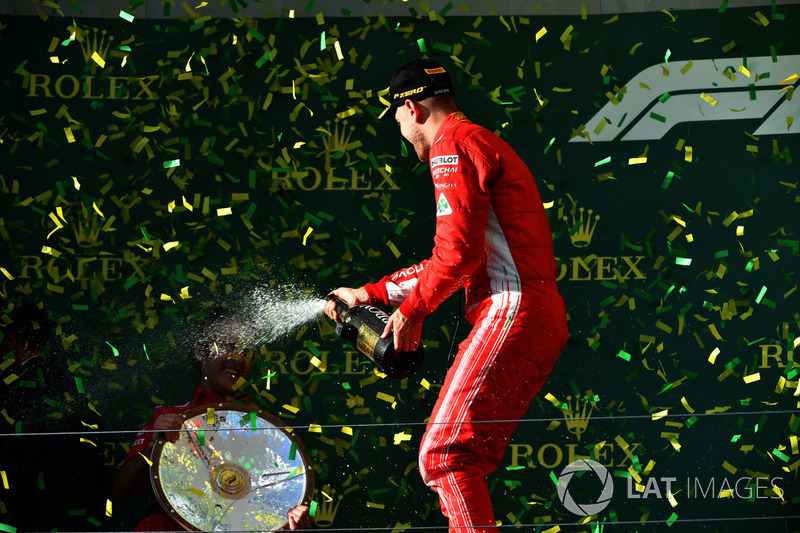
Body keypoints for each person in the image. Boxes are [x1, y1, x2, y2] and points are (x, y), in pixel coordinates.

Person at [325, 58, 569, 532]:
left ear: (412, 108)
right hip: (532, 315)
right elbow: (461, 257)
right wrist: (372, 293)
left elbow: (456, 254)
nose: (397, 127)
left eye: (394, 117)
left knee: (443, 454)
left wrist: (413, 311)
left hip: (511, 309)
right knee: (459, 458)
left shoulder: (452, 144)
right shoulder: (477, 140)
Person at [113, 306, 311, 531]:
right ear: (200, 352)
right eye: (229, 346)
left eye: (247, 351)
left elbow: (290, 500)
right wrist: (153, 447)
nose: (238, 358)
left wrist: (291, 518)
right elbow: (122, 492)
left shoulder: (266, 429)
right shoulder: (168, 416)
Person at [0, 297, 106, 531]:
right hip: (69, 506)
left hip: (24, 508)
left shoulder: (9, 386)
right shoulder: (69, 382)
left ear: (11, 340)